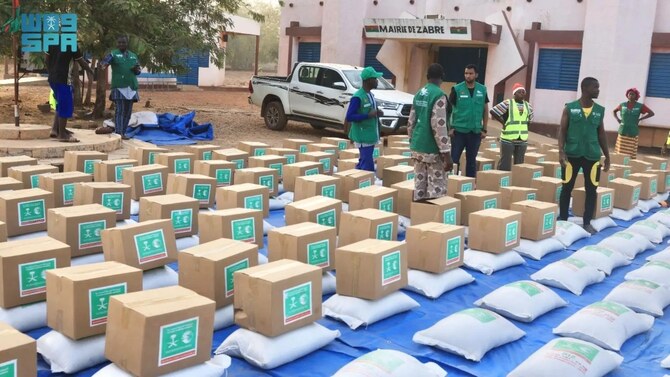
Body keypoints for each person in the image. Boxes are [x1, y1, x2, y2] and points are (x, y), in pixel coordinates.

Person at [558, 77, 610, 235]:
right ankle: (563, 219)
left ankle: (587, 222)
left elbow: (601, 134)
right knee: (567, 187)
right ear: (585, 88)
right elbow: (562, 131)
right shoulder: (570, 108)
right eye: (596, 87)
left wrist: (607, 156)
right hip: (572, 154)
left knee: (591, 189)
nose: (598, 90)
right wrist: (561, 152)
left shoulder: (599, 110)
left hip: (592, 155)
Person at [408, 63, 453, 201]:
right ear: (442, 77)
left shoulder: (419, 93)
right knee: (436, 190)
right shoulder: (439, 96)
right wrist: (446, 155)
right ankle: (432, 220)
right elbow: (439, 126)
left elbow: (411, 122)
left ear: (427, 77)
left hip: (418, 147)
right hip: (432, 150)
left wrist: (413, 141)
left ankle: (420, 216)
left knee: (420, 186)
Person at [45, 44, 94, 142]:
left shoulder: (52, 42)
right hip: (63, 79)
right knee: (66, 105)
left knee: (60, 103)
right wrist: (90, 70)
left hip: (53, 79)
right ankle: (62, 135)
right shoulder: (72, 45)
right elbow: (81, 62)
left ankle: (55, 129)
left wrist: (51, 73)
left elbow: (47, 60)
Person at [448, 64, 489, 178]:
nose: (468, 76)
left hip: (475, 132)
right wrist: (450, 127)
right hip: (458, 131)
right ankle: (451, 183)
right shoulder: (457, 89)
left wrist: (484, 128)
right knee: (454, 158)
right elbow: (448, 110)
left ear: (476, 75)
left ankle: (470, 185)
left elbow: (485, 110)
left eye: (471, 73)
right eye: (466, 73)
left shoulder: (482, 89)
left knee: (471, 161)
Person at [98, 35, 142, 140]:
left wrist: (135, 69)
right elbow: (103, 64)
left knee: (128, 111)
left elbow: (138, 71)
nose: (121, 44)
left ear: (127, 44)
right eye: (119, 43)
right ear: (117, 44)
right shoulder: (113, 54)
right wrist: (103, 65)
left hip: (131, 87)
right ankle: (118, 133)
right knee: (120, 110)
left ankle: (123, 132)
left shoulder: (133, 56)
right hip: (119, 86)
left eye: (124, 43)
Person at [346, 66, 383, 172]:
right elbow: (349, 116)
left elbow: (370, 111)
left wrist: (377, 113)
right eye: (375, 79)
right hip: (363, 137)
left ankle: (353, 182)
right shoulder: (358, 97)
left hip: (370, 136)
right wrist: (368, 116)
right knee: (368, 169)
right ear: (368, 80)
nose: (377, 81)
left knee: (363, 165)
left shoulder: (370, 95)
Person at [490, 83, 533, 171]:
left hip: (522, 140)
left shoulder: (528, 106)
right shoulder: (508, 103)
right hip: (508, 139)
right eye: (519, 92)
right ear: (514, 93)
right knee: (505, 163)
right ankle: (501, 180)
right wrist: (503, 122)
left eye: (523, 92)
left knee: (520, 165)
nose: (522, 93)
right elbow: (493, 111)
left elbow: (529, 120)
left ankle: (516, 182)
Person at [613, 88, 655, 159]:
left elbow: (651, 113)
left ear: (636, 96)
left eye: (633, 94)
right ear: (627, 95)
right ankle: (619, 161)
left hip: (633, 131)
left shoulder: (640, 106)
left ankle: (629, 163)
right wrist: (617, 119)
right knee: (620, 151)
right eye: (629, 94)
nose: (631, 95)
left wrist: (640, 119)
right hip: (623, 130)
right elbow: (614, 111)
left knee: (630, 151)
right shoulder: (622, 105)